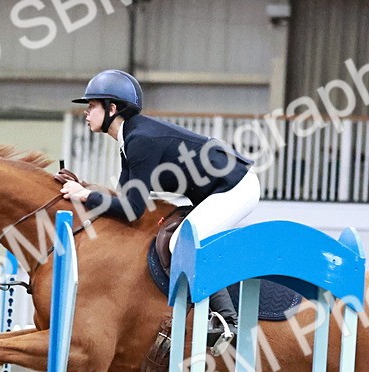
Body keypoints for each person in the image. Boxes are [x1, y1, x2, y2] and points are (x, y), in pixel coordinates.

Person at [60, 69, 260, 355]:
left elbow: (132, 210)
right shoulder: (130, 142)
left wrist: (87, 195)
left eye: (91, 106)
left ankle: (229, 321)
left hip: (236, 187)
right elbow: (123, 202)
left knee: (182, 241)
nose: (86, 113)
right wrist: (84, 189)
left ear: (112, 109)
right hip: (215, 190)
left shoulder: (141, 140)